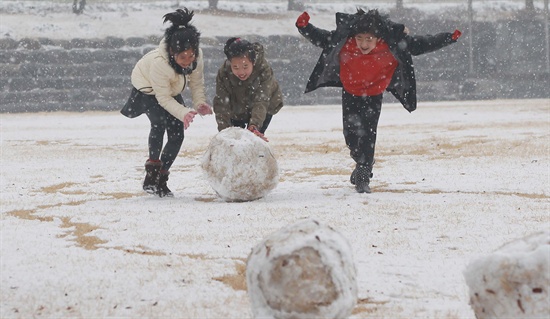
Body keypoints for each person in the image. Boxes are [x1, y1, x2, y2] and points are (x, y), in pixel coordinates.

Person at [295, 8, 461, 193]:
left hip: (374, 94)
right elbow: (322, 38)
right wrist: (304, 27)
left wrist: (449, 38)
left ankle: (363, 175)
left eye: (368, 39)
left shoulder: (392, 44)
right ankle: (362, 162)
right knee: (350, 136)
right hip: (351, 93)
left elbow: (421, 44)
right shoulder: (345, 42)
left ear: (378, 38)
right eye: (360, 38)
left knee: (367, 134)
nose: (363, 44)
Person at [121, 8, 213, 197]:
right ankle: (151, 176)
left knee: (177, 134)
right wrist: (183, 112)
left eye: (191, 55)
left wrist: (199, 103)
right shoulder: (159, 64)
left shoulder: (196, 56)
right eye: (182, 57)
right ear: (172, 52)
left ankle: (162, 178)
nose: (188, 61)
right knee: (159, 124)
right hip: (148, 90)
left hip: (170, 89)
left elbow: (196, 82)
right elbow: (162, 98)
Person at [212, 37, 284, 142]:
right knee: (234, 140)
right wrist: (225, 132)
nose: (241, 72)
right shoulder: (224, 73)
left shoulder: (263, 69)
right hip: (236, 107)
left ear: (253, 62)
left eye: (245, 66)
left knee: (253, 140)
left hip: (265, 106)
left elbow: (261, 100)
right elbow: (222, 103)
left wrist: (254, 125)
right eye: (235, 67)